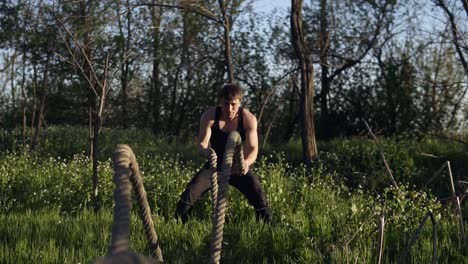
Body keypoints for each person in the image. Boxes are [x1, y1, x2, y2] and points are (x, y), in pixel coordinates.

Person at [175, 84, 272, 224]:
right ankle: (180, 229)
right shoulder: (209, 117)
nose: (230, 109)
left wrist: (246, 163)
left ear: (239, 102)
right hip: (215, 166)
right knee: (188, 196)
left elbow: (253, 150)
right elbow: (202, 144)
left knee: (260, 198)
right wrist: (206, 152)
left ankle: (265, 231)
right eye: (226, 104)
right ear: (220, 102)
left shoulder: (248, 119)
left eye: (234, 104)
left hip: (239, 167)